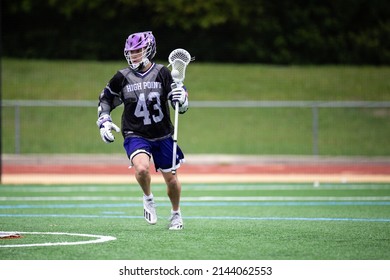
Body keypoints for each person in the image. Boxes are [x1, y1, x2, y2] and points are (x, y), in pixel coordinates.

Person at [96, 31, 188, 230]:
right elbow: (105, 99)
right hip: (135, 133)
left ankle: (175, 214)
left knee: (171, 180)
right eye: (131, 51)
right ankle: (148, 198)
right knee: (142, 168)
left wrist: (182, 99)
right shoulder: (122, 77)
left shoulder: (163, 72)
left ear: (149, 49)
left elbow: (179, 103)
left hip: (162, 134)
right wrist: (104, 120)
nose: (134, 54)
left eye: (138, 50)